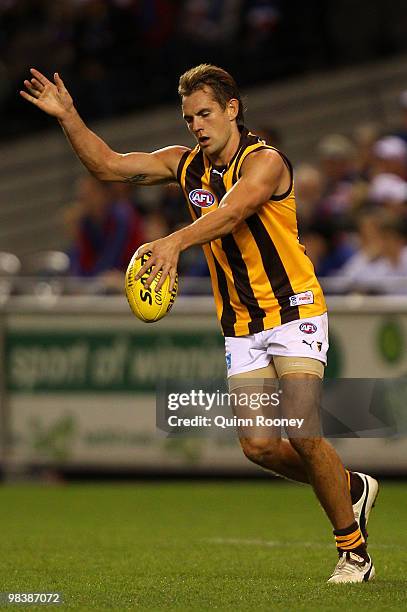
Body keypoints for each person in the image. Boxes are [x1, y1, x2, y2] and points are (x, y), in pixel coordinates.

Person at [21, 64, 378, 583]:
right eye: (189, 117)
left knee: (302, 430)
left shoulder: (266, 162)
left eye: (206, 113)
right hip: (241, 322)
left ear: (233, 109)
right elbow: (109, 166)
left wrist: (171, 241)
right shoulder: (184, 165)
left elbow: (233, 213)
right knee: (258, 446)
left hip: (294, 308)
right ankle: (351, 489)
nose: (197, 125)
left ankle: (353, 552)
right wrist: (69, 116)